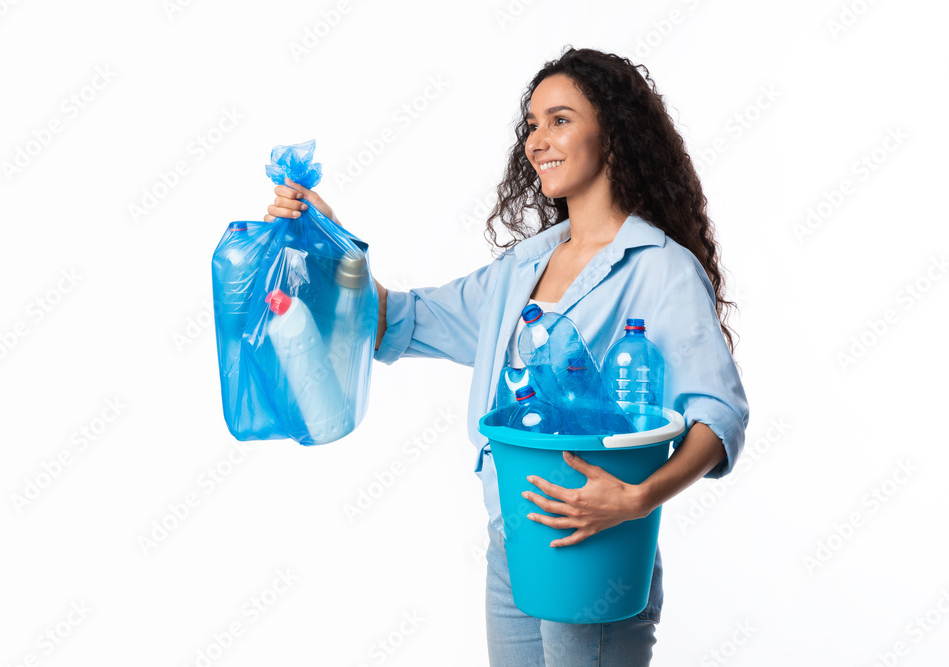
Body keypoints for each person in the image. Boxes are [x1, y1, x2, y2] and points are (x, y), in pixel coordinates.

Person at [267, 46, 749, 667]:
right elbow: (406, 320)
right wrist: (329, 240)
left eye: (560, 119)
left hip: (595, 541)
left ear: (614, 131)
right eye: (531, 124)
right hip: (513, 543)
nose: (536, 139)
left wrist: (638, 498)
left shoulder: (659, 268)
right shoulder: (523, 268)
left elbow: (720, 416)